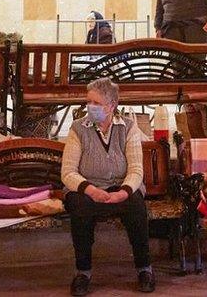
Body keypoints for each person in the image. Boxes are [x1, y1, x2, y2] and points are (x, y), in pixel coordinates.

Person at [61, 78, 154, 295]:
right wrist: (90, 190)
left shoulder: (128, 128)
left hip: (120, 187)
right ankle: (83, 272)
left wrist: (124, 192)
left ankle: (144, 269)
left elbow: (136, 170)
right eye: (88, 102)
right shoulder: (77, 129)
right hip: (88, 189)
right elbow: (67, 172)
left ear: (111, 105)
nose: (90, 107)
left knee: (136, 206)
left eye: (96, 103)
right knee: (80, 207)